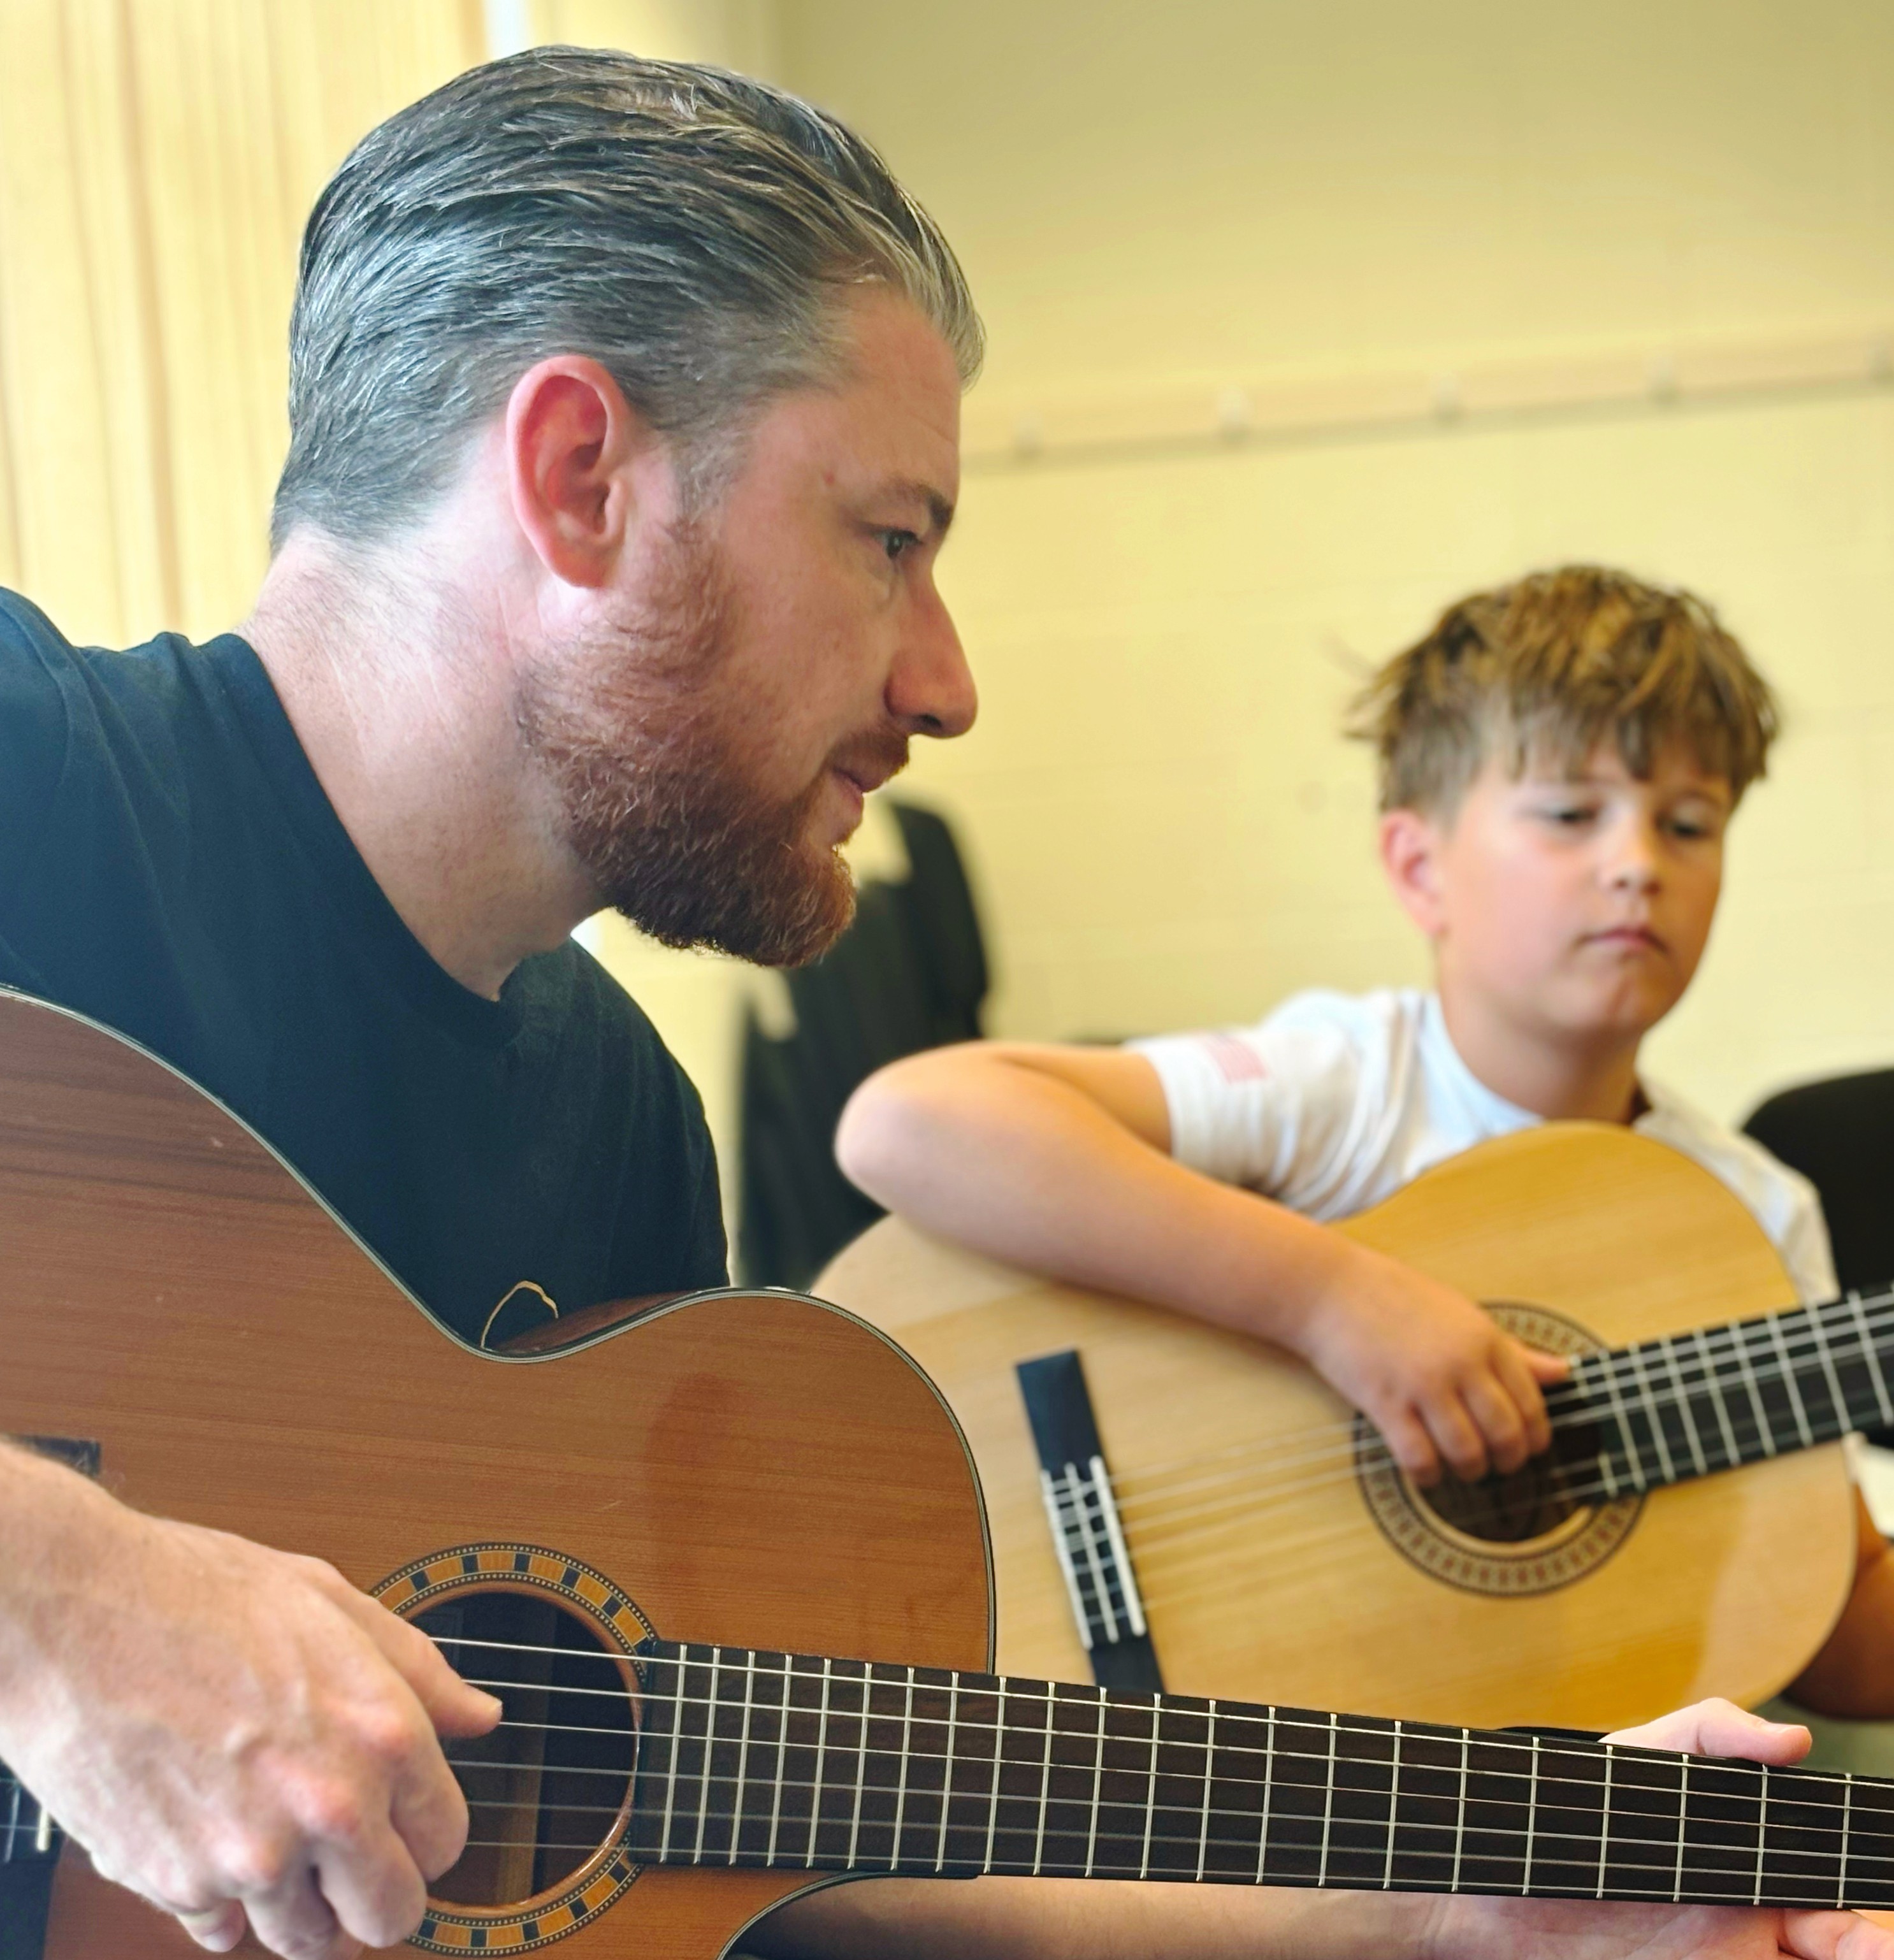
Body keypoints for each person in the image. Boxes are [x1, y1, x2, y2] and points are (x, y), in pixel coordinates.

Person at [0, 50, 1877, 1960]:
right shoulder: (34, 773)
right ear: (581, 480)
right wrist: (62, 1590)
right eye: (888, 540)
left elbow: (780, 1841)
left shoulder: (618, 1123)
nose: (949, 678)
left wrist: (1470, 1916)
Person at [836, 565, 1894, 1722]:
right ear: (1418, 867)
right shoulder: (1350, 1083)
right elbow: (910, 1124)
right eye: (1572, 814)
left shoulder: (1752, 1212)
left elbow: (1833, 1627)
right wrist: (1338, 1303)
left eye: (1689, 823)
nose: (1639, 860)